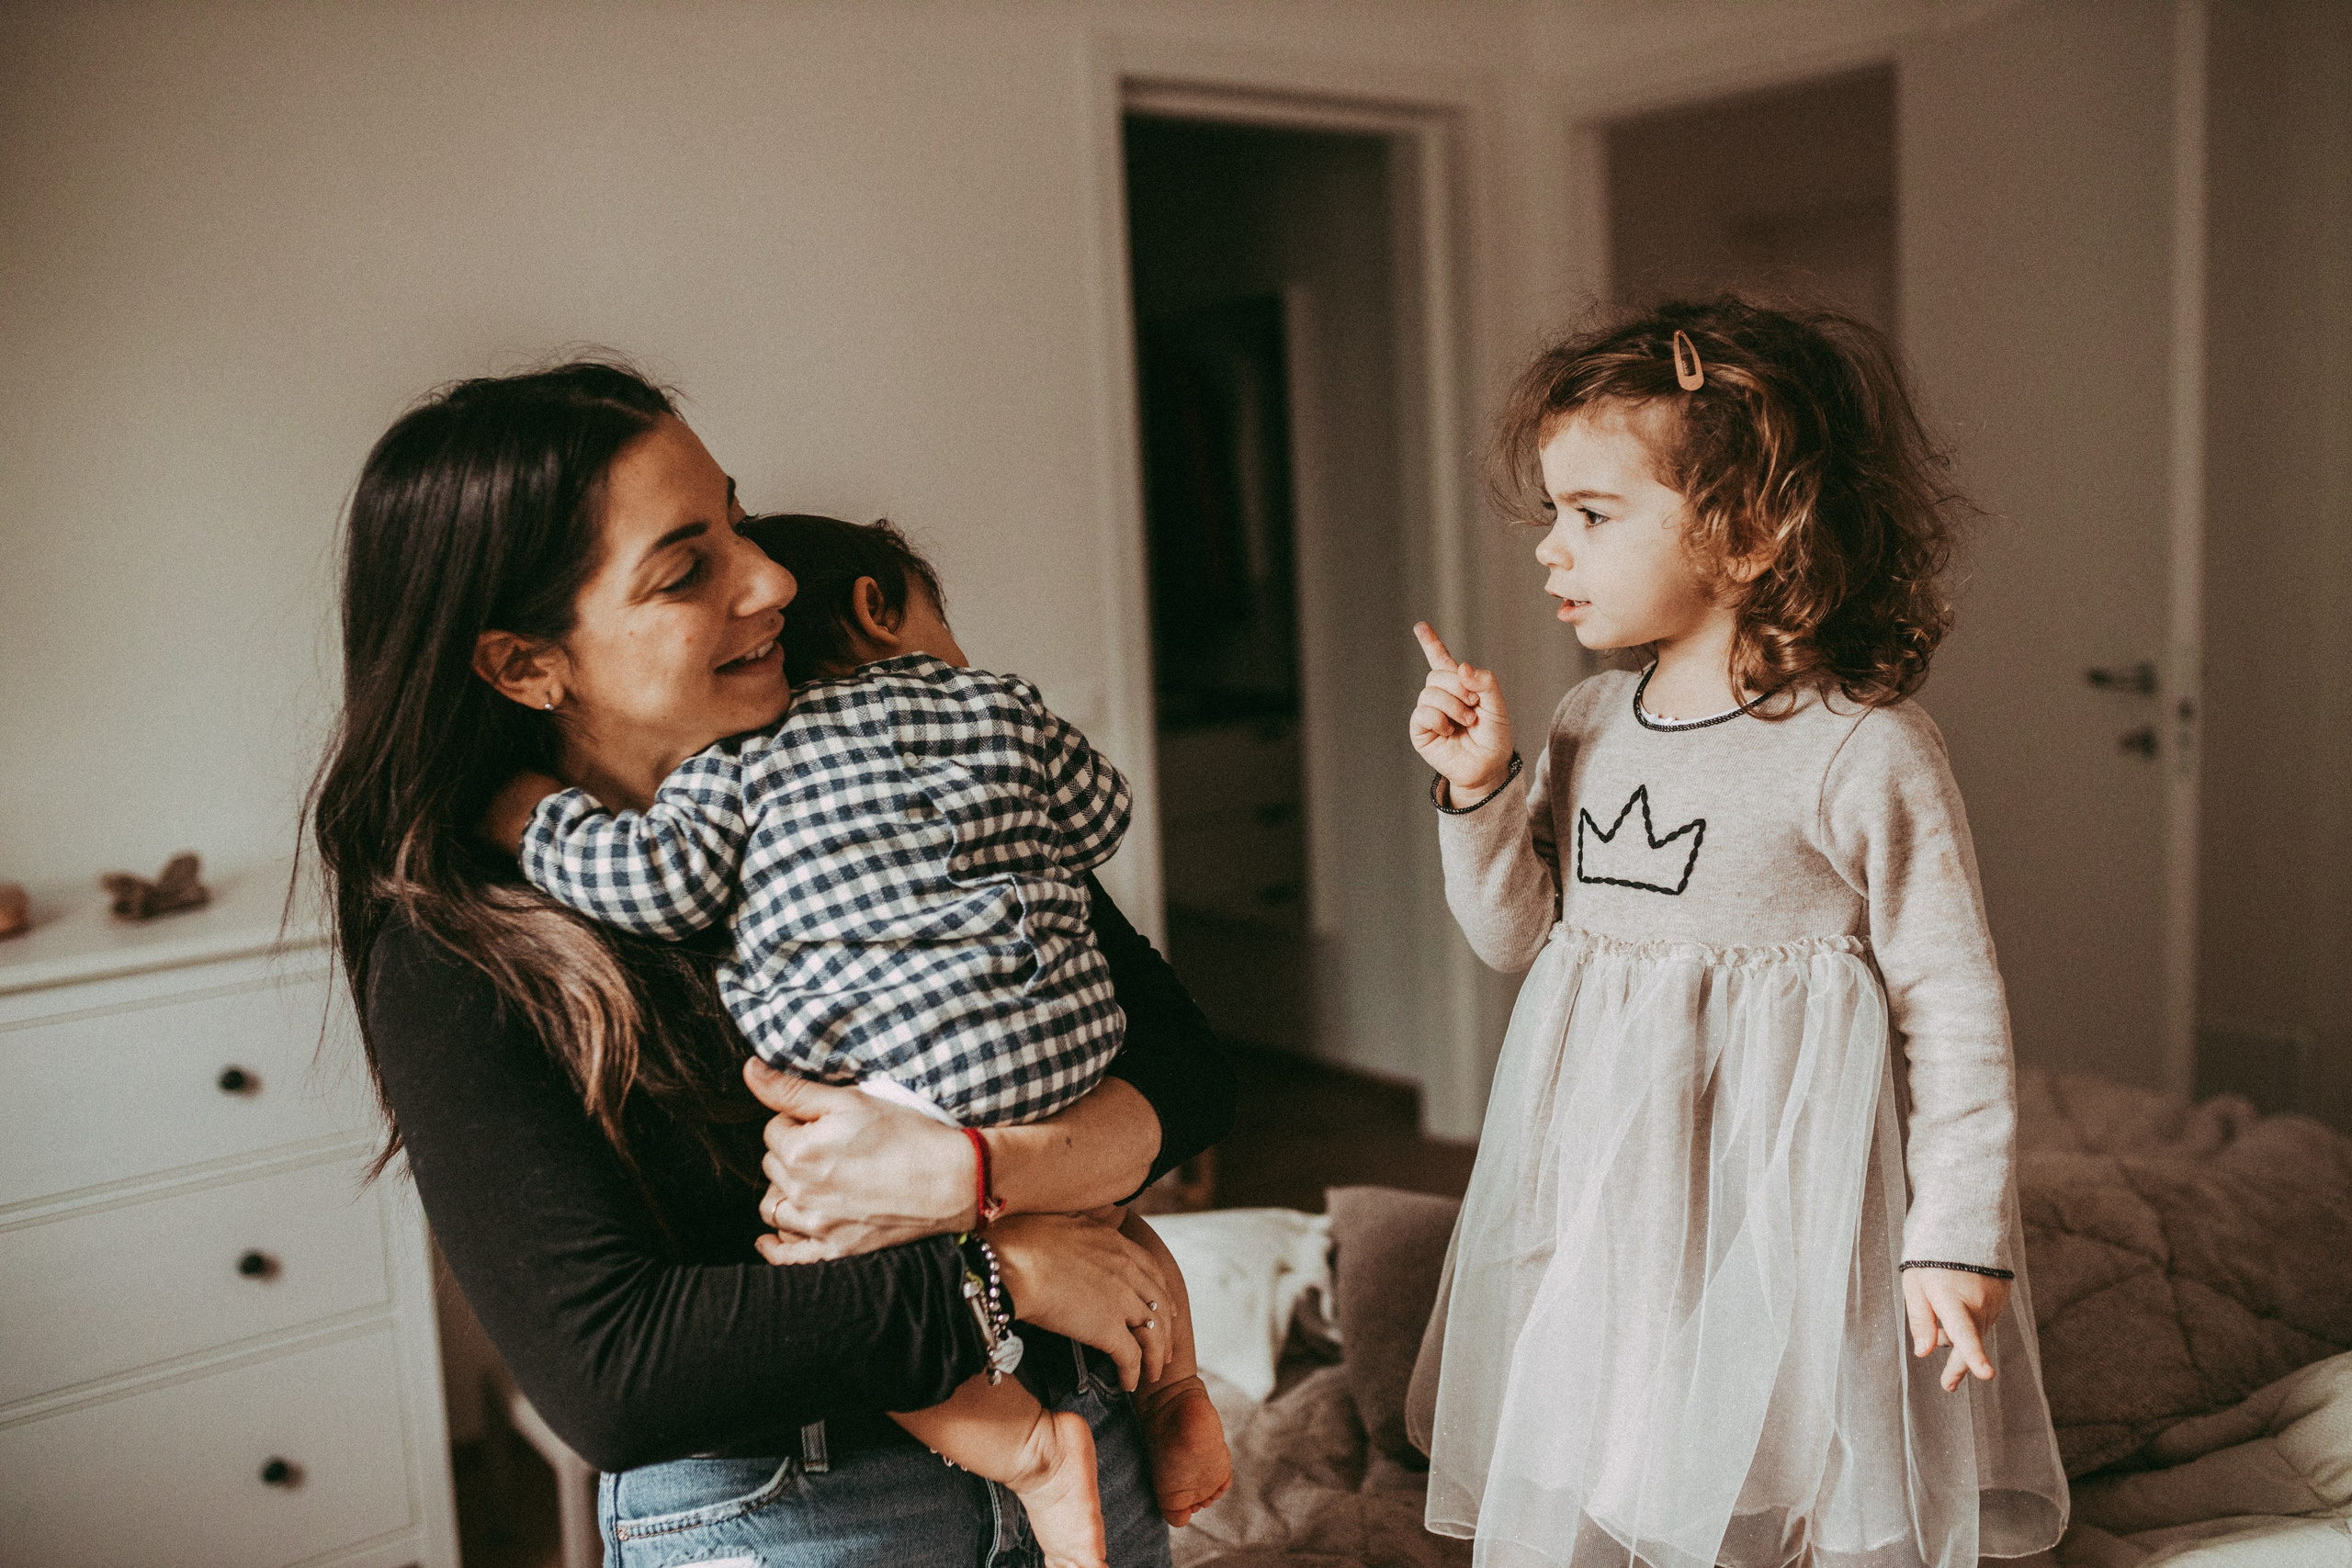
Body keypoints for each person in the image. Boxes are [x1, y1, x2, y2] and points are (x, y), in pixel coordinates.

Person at [309, 359, 1234, 1567]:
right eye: (687, 567)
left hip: (1085, 1446)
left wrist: (974, 1176)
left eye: (738, 521)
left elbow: (1185, 1069)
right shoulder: (462, 949)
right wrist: (995, 1275)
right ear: (527, 666)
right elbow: (613, 1371)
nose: (774, 577)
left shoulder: (884, 770)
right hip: (795, 1517)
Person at [1404, 298, 2069, 1568]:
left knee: (1787, 1453)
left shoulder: (1862, 747)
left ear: (1752, 532)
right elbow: (1516, 940)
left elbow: (1954, 1000)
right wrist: (1481, 787)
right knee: (1619, 1429)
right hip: (1613, 1182)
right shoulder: (1590, 722)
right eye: (1552, 513)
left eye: (1593, 516)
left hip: (1783, 1192)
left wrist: (1955, 1234)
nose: (1553, 549)